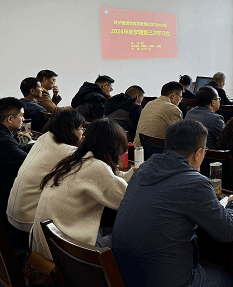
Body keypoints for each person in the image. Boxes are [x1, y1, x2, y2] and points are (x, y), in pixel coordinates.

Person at [113, 120, 233, 287]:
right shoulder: (195, 183)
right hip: (166, 281)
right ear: (198, 154)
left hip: (125, 275)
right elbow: (228, 230)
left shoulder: (142, 170)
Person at [31, 118, 134, 259]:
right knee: (131, 235)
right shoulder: (97, 168)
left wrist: (130, 174)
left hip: (50, 245)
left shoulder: (74, 161)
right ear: (112, 148)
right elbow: (129, 200)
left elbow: (109, 180)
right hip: (69, 254)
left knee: (111, 227)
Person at [6, 110, 85, 254]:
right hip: (28, 224)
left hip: (12, 216)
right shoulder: (68, 152)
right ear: (72, 130)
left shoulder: (44, 139)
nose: (82, 134)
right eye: (81, 129)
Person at [0, 98, 30, 227]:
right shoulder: (4, 140)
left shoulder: (5, 135)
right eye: (21, 116)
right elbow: (27, 162)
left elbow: (18, 150)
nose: (23, 119)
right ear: (10, 119)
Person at [133, 81, 183, 146]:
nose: (179, 101)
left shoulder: (149, 104)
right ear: (173, 95)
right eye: (180, 97)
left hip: (138, 149)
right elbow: (180, 137)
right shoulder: (173, 109)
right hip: (158, 150)